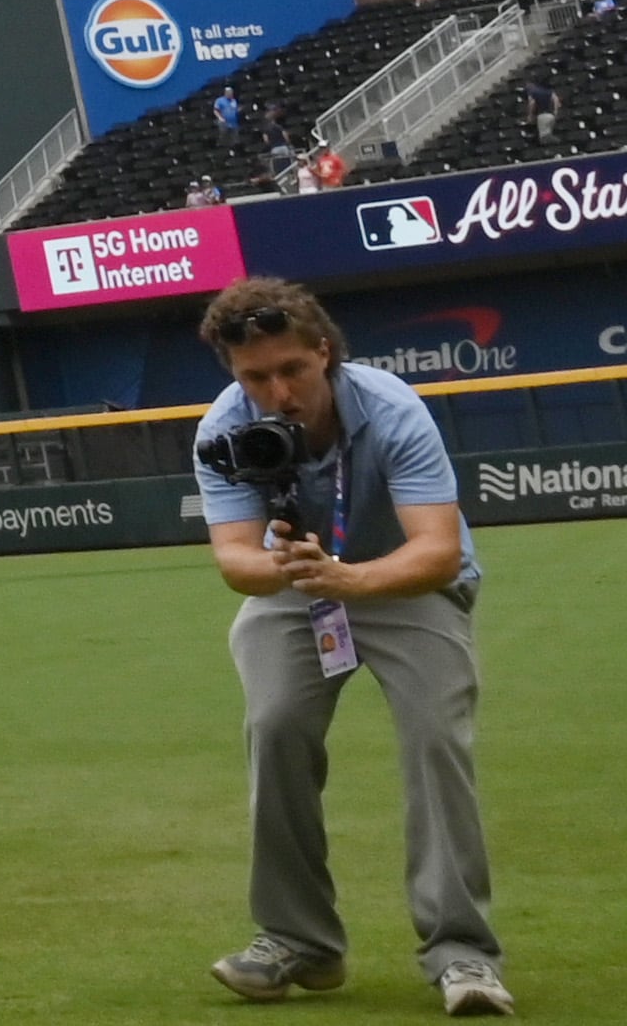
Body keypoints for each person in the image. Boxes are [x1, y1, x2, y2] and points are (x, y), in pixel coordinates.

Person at [190, 278, 510, 1016]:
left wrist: (349, 575)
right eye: (255, 376)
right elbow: (235, 560)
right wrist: (294, 568)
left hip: (402, 582)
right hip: (300, 588)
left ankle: (462, 952)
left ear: (323, 353)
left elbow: (434, 550)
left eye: (292, 369)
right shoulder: (225, 429)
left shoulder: (392, 408)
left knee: (436, 739)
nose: (278, 392)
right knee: (273, 728)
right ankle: (299, 941)